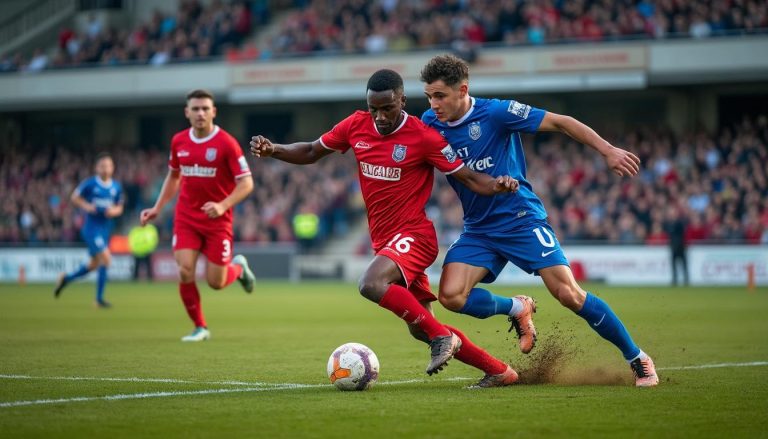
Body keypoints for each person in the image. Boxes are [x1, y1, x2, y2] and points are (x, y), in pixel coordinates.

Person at [250, 69, 523, 388]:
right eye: (373, 109)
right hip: (386, 242)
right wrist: (274, 150)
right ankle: (499, 370)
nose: (379, 117)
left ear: (402, 101)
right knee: (421, 327)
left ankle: (442, 338)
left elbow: (469, 177)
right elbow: (312, 151)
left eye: (387, 108)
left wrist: (497, 184)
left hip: (415, 236)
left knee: (371, 283)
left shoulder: (423, 136)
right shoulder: (355, 125)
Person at [419, 54, 659, 387]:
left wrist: (607, 150)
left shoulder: (497, 112)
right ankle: (517, 308)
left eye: (440, 96)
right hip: (479, 229)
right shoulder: (429, 122)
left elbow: (562, 122)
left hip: (520, 220)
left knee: (569, 294)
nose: (434, 104)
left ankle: (637, 358)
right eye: (429, 96)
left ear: (462, 90)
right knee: (451, 297)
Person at [140, 89, 256, 342]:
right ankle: (200, 327)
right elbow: (173, 176)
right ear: (187, 112)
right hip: (187, 218)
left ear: (214, 111)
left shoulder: (227, 143)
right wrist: (158, 207)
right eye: (195, 108)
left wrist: (223, 205)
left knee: (216, 282)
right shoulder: (179, 141)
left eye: (205, 108)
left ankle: (238, 268)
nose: (200, 113)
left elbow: (247, 183)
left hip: (218, 221)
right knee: (185, 270)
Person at [54, 153, 124, 308]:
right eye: (102, 166)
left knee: (93, 265)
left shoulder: (116, 187)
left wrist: (112, 211)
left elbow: (119, 208)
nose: (105, 169)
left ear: (113, 168)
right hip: (91, 229)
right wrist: (88, 207)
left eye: (108, 166)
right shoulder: (90, 184)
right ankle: (98, 299)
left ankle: (66, 279)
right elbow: (75, 197)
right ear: (97, 168)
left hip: (105, 230)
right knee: (106, 259)